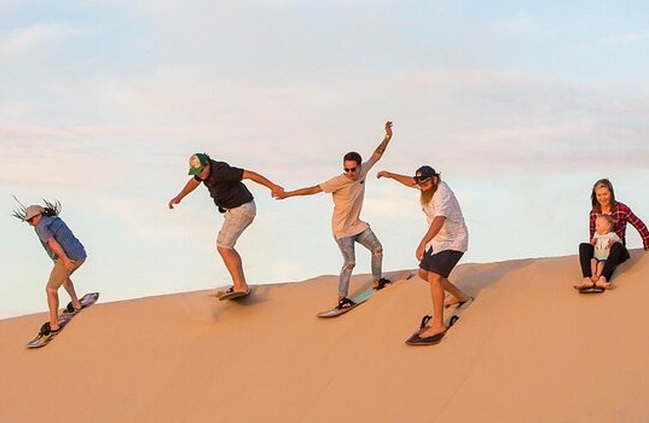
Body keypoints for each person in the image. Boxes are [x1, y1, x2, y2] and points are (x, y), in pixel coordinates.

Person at [274, 121, 394, 310]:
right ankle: (341, 298)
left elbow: (376, 154)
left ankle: (376, 281)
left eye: (353, 169)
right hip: (342, 230)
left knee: (378, 249)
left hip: (357, 225)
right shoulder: (337, 181)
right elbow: (312, 189)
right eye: (346, 169)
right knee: (350, 262)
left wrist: (387, 136)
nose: (349, 173)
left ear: (359, 167)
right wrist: (287, 194)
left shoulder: (364, 170)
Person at [168, 153, 284, 298]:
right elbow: (194, 181)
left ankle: (240, 286)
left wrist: (273, 186)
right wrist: (179, 197)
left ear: (207, 164)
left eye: (201, 171)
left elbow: (249, 174)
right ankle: (240, 285)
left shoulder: (221, 171)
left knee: (224, 246)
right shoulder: (203, 173)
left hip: (242, 209)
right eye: (197, 173)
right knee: (225, 246)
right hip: (234, 210)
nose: (200, 175)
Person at [377, 165, 471, 341]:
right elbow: (410, 181)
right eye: (421, 185)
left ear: (435, 179)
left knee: (435, 278)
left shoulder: (443, 194)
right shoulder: (424, 185)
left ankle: (438, 325)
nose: (422, 187)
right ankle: (460, 296)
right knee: (424, 274)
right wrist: (390, 175)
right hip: (438, 241)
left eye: (426, 183)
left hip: (453, 241)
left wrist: (423, 242)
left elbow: (439, 220)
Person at [13, 200, 88, 336]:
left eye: (31, 220)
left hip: (68, 258)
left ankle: (54, 325)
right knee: (63, 278)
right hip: (80, 254)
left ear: (38, 216)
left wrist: (65, 259)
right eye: (28, 221)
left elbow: (53, 243)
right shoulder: (54, 219)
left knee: (51, 289)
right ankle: (76, 304)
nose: (30, 224)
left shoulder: (40, 227)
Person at [577, 178, 649, 291]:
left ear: (611, 193)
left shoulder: (621, 209)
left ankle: (603, 278)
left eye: (605, 194)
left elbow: (639, 224)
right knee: (583, 246)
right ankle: (587, 279)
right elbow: (592, 234)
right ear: (595, 196)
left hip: (616, 250)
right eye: (599, 195)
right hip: (599, 250)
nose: (602, 198)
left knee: (617, 246)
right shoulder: (593, 213)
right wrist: (593, 248)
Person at [590, 214, 622, 284]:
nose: (596, 227)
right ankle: (593, 275)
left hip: (604, 258)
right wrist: (593, 241)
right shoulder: (596, 234)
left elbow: (620, 242)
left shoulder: (612, 235)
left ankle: (598, 276)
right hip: (596, 256)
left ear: (607, 226)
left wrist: (613, 243)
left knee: (601, 264)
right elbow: (592, 243)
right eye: (596, 225)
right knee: (592, 261)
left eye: (598, 225)